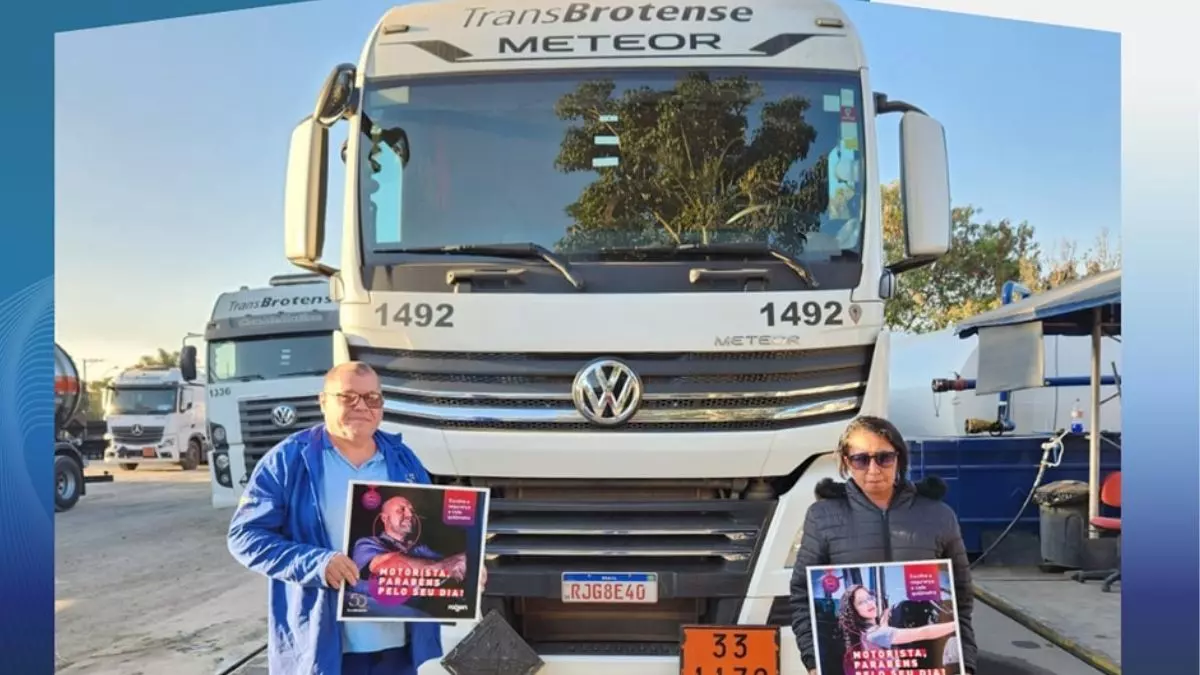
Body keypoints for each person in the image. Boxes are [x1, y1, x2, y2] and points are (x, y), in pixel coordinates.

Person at [227, 361, 482, 675]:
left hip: (404, 649)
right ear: (323, 402)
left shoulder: (404, 459)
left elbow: (428, 539)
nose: (361, 406)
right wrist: (317, 564)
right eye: (348, 397)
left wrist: (466, 569)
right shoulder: (288, 461)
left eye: (372, 398)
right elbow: (245, 538)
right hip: (325, 648)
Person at [788, 415, 977, 675]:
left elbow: (962, 597)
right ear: (846, 461)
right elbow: (801, 596)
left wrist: (965, 664)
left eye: (884, 458)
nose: (874, 469)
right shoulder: (822, 517)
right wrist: (813, 663)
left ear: (898, 458)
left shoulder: (938, 515)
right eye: (861, 459)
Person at [835, 584, 959, 675]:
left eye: (869, 598)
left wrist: (885, 619)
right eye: (861, 602)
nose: (869, 603)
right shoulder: (876, 634)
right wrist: (955, 625)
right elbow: (922, 633)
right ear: (854, 611)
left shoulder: (866, 633)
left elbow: (882, 633)